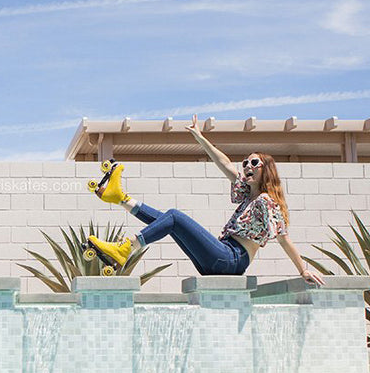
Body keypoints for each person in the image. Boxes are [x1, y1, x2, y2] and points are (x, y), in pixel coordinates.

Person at [88, 115, 324, 285]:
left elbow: (284, 240)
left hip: (232, 260)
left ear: (266, 170)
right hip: (222, 259)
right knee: (170, 223)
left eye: (254, 163)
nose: (247, 167)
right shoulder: (246, 195)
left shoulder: (266, 201)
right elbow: (225, 164)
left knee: (175, 216)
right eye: (246, 163)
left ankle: (127, 247)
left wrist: (303, 270)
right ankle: (121, 198)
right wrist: (201, 139)